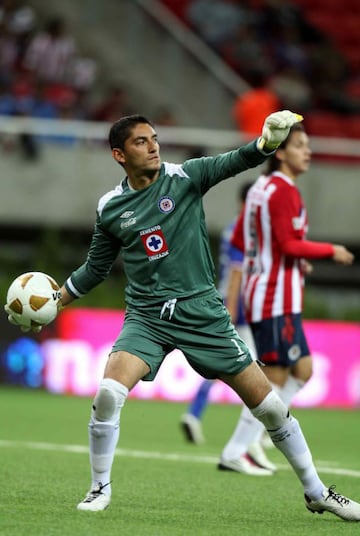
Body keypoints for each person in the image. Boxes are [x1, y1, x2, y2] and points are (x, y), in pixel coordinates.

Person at [5, 111, 360, 521]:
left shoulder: (185, 177)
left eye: (154, 138)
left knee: (273, 410)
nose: (153, 145)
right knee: (107, 393)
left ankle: (317, 492)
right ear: (119, 154)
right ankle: (99, 487)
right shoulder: (111, 207)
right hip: (146, 317)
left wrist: (266, 144)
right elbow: (96, 268)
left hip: (202, 313)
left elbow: (234, 161)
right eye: (141, 141)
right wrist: (56, 301)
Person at [218, 121, 355, 473]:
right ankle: (238, 449)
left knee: (303, 370)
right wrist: (329, 250)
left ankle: (259, 438)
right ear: (279, 151)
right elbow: (288, 243)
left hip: (273, 291)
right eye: (299, 145)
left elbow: (242, 243)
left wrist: (285, 260)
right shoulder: (283, 191)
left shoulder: (259, 189)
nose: (307, 151)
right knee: (273, 380)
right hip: (274, 297)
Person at [180, 181, 276, 475]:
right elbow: (236, 274)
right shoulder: (244, 231)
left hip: (235, 305)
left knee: (225, 365)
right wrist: (233, 311)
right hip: (239, 309)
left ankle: (196, 415)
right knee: (257, 371)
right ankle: (255, 435)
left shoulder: (239, 229)